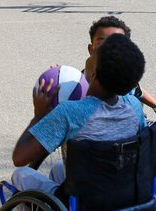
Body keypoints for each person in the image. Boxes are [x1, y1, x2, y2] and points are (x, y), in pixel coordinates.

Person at [11, 33, 147, 195]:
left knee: (21, 174)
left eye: (94, 54)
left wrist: (38, 116)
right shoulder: (134, 107)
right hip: (125, 197)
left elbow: (19, 158)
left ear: (93, 74)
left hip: (83, 204)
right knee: (59, 168)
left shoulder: (70, 112)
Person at [78, 16, 156, 189]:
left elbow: (139, 90)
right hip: (110, 141)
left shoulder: (126, 74)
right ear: (91, 49)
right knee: (155, 179)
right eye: (102, 43)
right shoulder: (81, 82)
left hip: (142, 131)